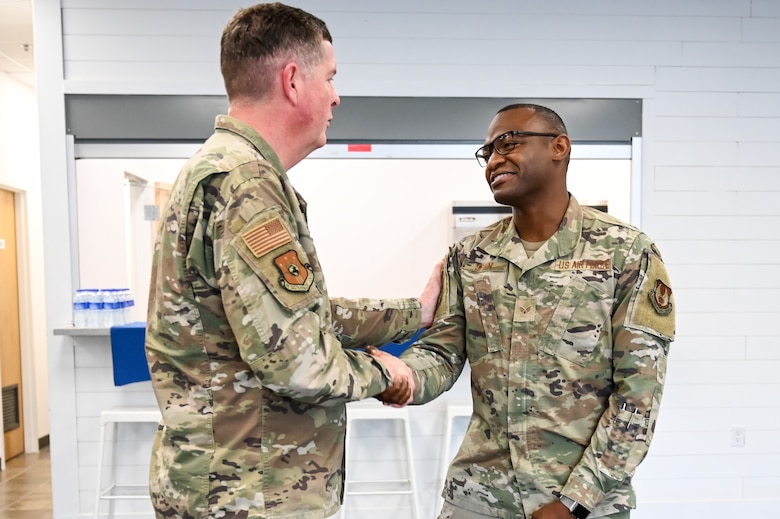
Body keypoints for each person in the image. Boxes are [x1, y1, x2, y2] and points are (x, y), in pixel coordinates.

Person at [144, 4, 440, 519]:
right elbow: (298, 362)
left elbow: (302, 317)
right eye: (329, 77)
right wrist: (385, 373)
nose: (336, 96)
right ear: (293, 81)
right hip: (250, 493)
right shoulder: (246, 185)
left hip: (226, 483)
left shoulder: (223, 170)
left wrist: (414, 313)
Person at [380, 103, 675, 519]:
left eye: (508, 143)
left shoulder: (625, 253)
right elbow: (443, 354)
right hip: (478, 497)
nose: (494, 160)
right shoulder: (469, 256)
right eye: (487, 152)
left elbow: (638, 397)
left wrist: (575, 502)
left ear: (559, 147)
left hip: (582, 502)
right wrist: (401, 377)